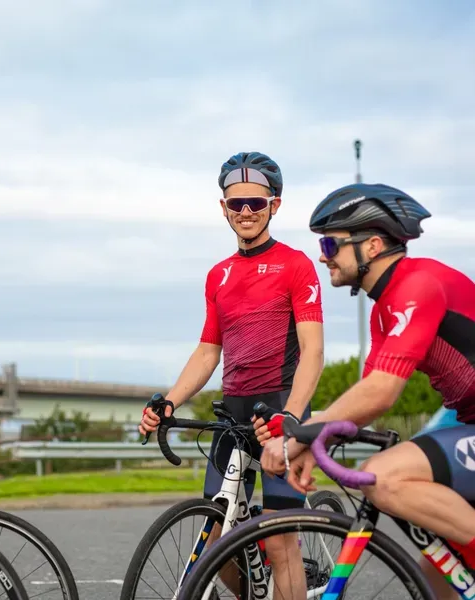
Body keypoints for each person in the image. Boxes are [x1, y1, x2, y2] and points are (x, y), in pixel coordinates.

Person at [261, 182, 475, 599]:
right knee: (439, 577)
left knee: (381, 476)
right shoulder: (384, 310)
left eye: (330, 243)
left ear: (372, 246)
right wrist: (311, 443)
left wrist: (300, 434)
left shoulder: (419, 285)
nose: (323, 255)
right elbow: (365, 397)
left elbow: (382, 391)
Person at [139, 151, 325, 599]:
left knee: (281, 545)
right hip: (232, 417)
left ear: (274, 205)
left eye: (256, 204)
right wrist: (169, 402)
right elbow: (208, 353)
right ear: (222, 207)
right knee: (215, 548)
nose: (245, 212)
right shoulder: (218, 275)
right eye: (236, 203)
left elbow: (314, 352)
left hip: (280, 409)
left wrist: (292, 418)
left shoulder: (295, 265)